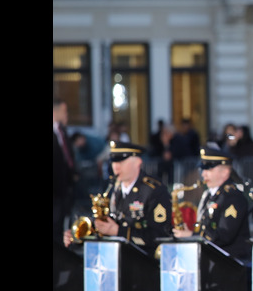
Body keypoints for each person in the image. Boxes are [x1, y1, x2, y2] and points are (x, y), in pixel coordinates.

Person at [64, 141, 172, 257]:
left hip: (144, 260)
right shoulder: (115, 187)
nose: (116, 166)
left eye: (121, 161)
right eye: (113, 161)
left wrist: (118, 232)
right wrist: (79, 234)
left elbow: (159, 236)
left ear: (138, 162)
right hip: (117, 257)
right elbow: (112, 219)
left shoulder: (154, 190)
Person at [172, 147, 252, 264]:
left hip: (229, 264)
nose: (203, 174)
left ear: (225, 172)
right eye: (203, 169)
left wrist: (191, 235)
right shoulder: (210, 195)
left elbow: (224, 235)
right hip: (211, 261)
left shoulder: (233, 197)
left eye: (209, 169)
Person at [54, 97, 78, 244]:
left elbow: (67, 156)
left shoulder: (62, 131)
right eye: (64, 111)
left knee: (60, 225)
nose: (66, 114)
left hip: (64, 188)